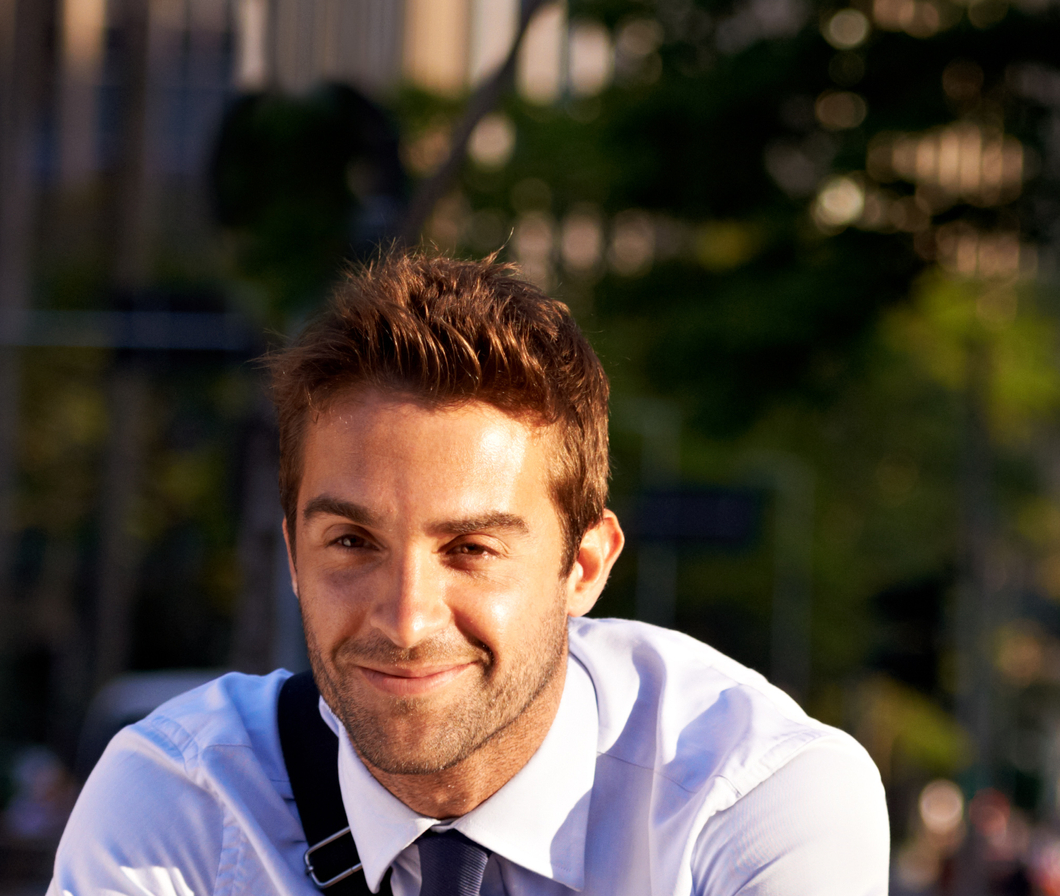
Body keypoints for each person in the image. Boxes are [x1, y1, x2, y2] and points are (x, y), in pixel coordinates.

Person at [51, 253, 889, 896]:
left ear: (584, 567)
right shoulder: (183, 797)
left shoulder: (748, 795)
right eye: (351, 542)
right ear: (294, 557)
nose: (406, 619)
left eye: (472, 550)